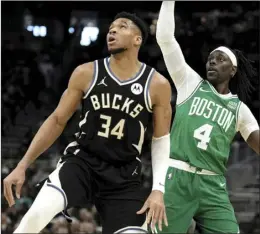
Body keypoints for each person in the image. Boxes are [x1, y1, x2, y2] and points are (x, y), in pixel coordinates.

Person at [4, 12, 172, 234]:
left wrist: (158, 189)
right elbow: (56, 120)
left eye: (122, 27)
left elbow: (161, 139)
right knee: (34, 216)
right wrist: (22, 165)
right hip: (82, 162)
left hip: (124, 176)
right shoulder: (87, 72)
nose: (112, 30)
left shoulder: (157, 84)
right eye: (111, 27)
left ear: (137, 39)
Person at [156, 1, 260, 233]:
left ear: (232, 71)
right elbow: (165, 38)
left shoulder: (239, 108)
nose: (212, 61)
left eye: (220, 59)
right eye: (210, 58)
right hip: (177, 177)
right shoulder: (189, 82)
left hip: (213, 184)